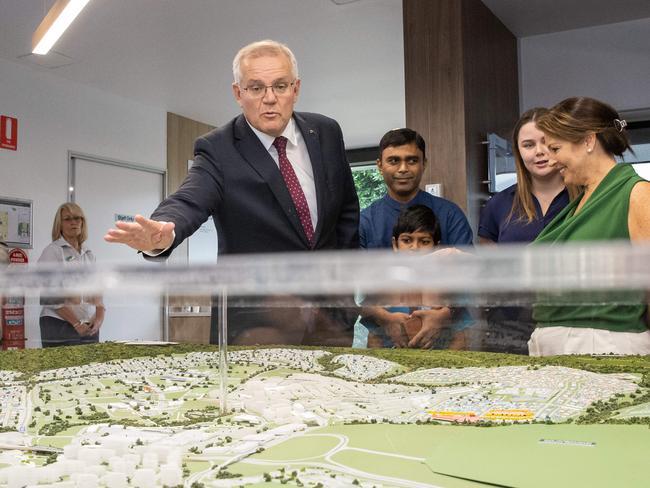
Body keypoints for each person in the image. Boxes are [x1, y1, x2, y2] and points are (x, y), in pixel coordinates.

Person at [104, 40, 360, 345]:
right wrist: (163, 233)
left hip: (329, 320)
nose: (270, 98)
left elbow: (346, 212)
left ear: (296, 88)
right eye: (256, 88)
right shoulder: (218, 148)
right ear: (238, 93)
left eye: (280, 85)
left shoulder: (326, 132)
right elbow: (191, 197)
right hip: (259, 326)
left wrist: (345, 290)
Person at [530, 96, 650, 356]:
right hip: (560, 344)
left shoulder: (638, 195)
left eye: (556, 148)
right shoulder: (581, 199)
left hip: (603, 345)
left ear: (588, 140)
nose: (550, 159)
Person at [478, 108, 578, 354]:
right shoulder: (498, 204)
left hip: (572, 323)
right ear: (518, 152)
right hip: (510, 326)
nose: (539, 152)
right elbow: (488, 271)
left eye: (546, 142)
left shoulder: (584, 199)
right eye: (528, 145)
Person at [358, 205, 472, 349]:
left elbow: (460, 336)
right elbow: (372, 332)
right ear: (395, 245)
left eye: (424, 242)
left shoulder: (447, 284)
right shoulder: (383, 282)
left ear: (436, 246)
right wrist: (385, 318)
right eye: (407, 240)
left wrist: (448, 369)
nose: (415, 248)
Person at [359, 128, 473, 249]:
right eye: (393, 161)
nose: (403, 168)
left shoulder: (450, 215)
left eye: (412, 160)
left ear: (424, 164)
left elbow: (469, 266)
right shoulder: (365, 222)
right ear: (380, 166)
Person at [39, 203, 104, 347]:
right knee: (62, 369)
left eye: (77, 218)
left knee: (90, 368)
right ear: (59, 224)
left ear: (82, 222)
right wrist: (75, 323)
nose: (73, 222)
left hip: (88, 325)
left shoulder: (88, 254)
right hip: (58, 324)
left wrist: (99, 317)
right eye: (67, 219)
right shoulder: (53, 251)